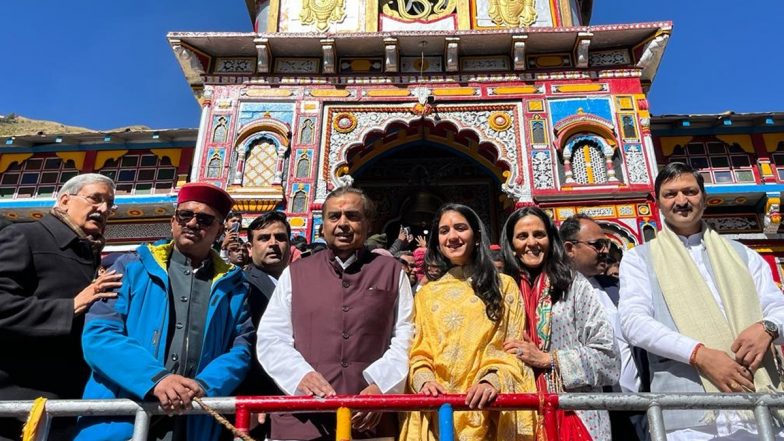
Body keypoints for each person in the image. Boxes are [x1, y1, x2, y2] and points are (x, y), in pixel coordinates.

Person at [76, 182, 254, 441]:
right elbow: (100, 335)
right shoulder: (130, 268)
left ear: (219, 230)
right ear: (173, 221)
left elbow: (241, 349)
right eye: (185, 215)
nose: (193, 224)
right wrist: (157, 379)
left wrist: (206, 386)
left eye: (205, 219)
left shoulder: (234, 286)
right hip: (122, 417)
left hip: (193, 420)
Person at [619, 162, 784, 440]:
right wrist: (699, 354)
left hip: (760, 406)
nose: (681, 201)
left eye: (690, 192)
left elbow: (777, 307)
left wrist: (767, 327)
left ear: (704, 199)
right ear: (658, 203)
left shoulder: (742, 255)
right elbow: (634, 323)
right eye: (671, 194)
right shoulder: (639, 259)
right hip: (691, 417)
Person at [257, 186, 414, 441]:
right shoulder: (296, 273)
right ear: (322, 226)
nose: (343, 224)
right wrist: (301, 376)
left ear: (368, 224)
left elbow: (406, 335)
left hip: (369, 417)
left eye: (352, 216)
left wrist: (381, 386)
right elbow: (272, 337)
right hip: (302, 417)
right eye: (334, 216)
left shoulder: (391, 272)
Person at [399, 203, 537, 441]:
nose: (452, 236)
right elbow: (418, 350)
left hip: (487, 408)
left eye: (460, 228)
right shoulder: (426, 294)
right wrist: (424, 380)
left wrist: (492, 379)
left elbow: (513, 347)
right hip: (439, 412)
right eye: (444, 231)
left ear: (476, 236)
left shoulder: (504, 286)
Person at [0, 173, 120, 441]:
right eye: (95, 199)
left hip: (66, 408)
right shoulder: (25, 236)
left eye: (109, 204)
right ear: (65, 200)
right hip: (15, 407)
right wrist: (71, 307)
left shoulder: (89, 254)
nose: (103, 209)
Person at [501, 206, 619, 441]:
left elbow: (609, 358)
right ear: (511, 245)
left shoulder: (574, 286)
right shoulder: (499, 290)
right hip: (514, 415)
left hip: (574, 414)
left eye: (539, 234)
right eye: (522, 236)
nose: (532, 243)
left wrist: (548, 359)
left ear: (551, 240)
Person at [560, 214, 647, 441]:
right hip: (591, 411)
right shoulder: (556, 297)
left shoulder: (619, 289)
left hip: (639, 408)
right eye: (597, 245)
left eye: (606, 244)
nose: (606, 251)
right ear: (570, 248)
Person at [238, 211, 292, 437]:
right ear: (250, 248)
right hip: (257, 401)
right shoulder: (243, 286)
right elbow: (245, 346)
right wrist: (253, 396)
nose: (273, 244)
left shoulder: (295, 283)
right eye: (264, 238)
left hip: (288, 397)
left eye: (280, 238)